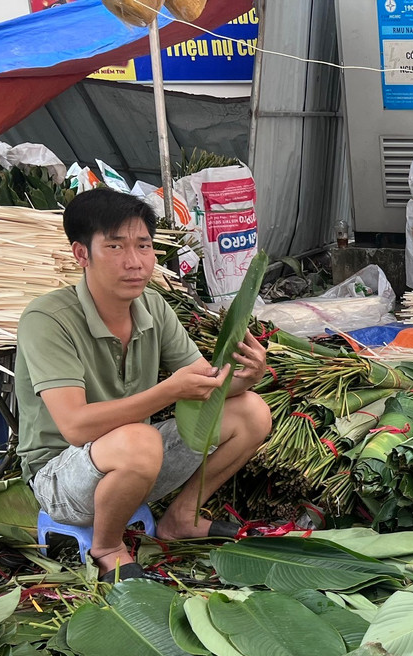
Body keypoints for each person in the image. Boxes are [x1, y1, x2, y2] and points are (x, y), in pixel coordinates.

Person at [15, 188, 273, 581]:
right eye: (115, 247)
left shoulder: (152, 305)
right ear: (81, 254)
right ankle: (106, 545)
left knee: (251, 411)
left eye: (144, 246)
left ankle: (182, 517)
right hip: (60, 477)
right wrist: (168, 390)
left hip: (135, 463)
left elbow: (205, 384)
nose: (134, 262)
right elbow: (76, 427)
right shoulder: (47, 318)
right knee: (141, 440)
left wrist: (245, 377)